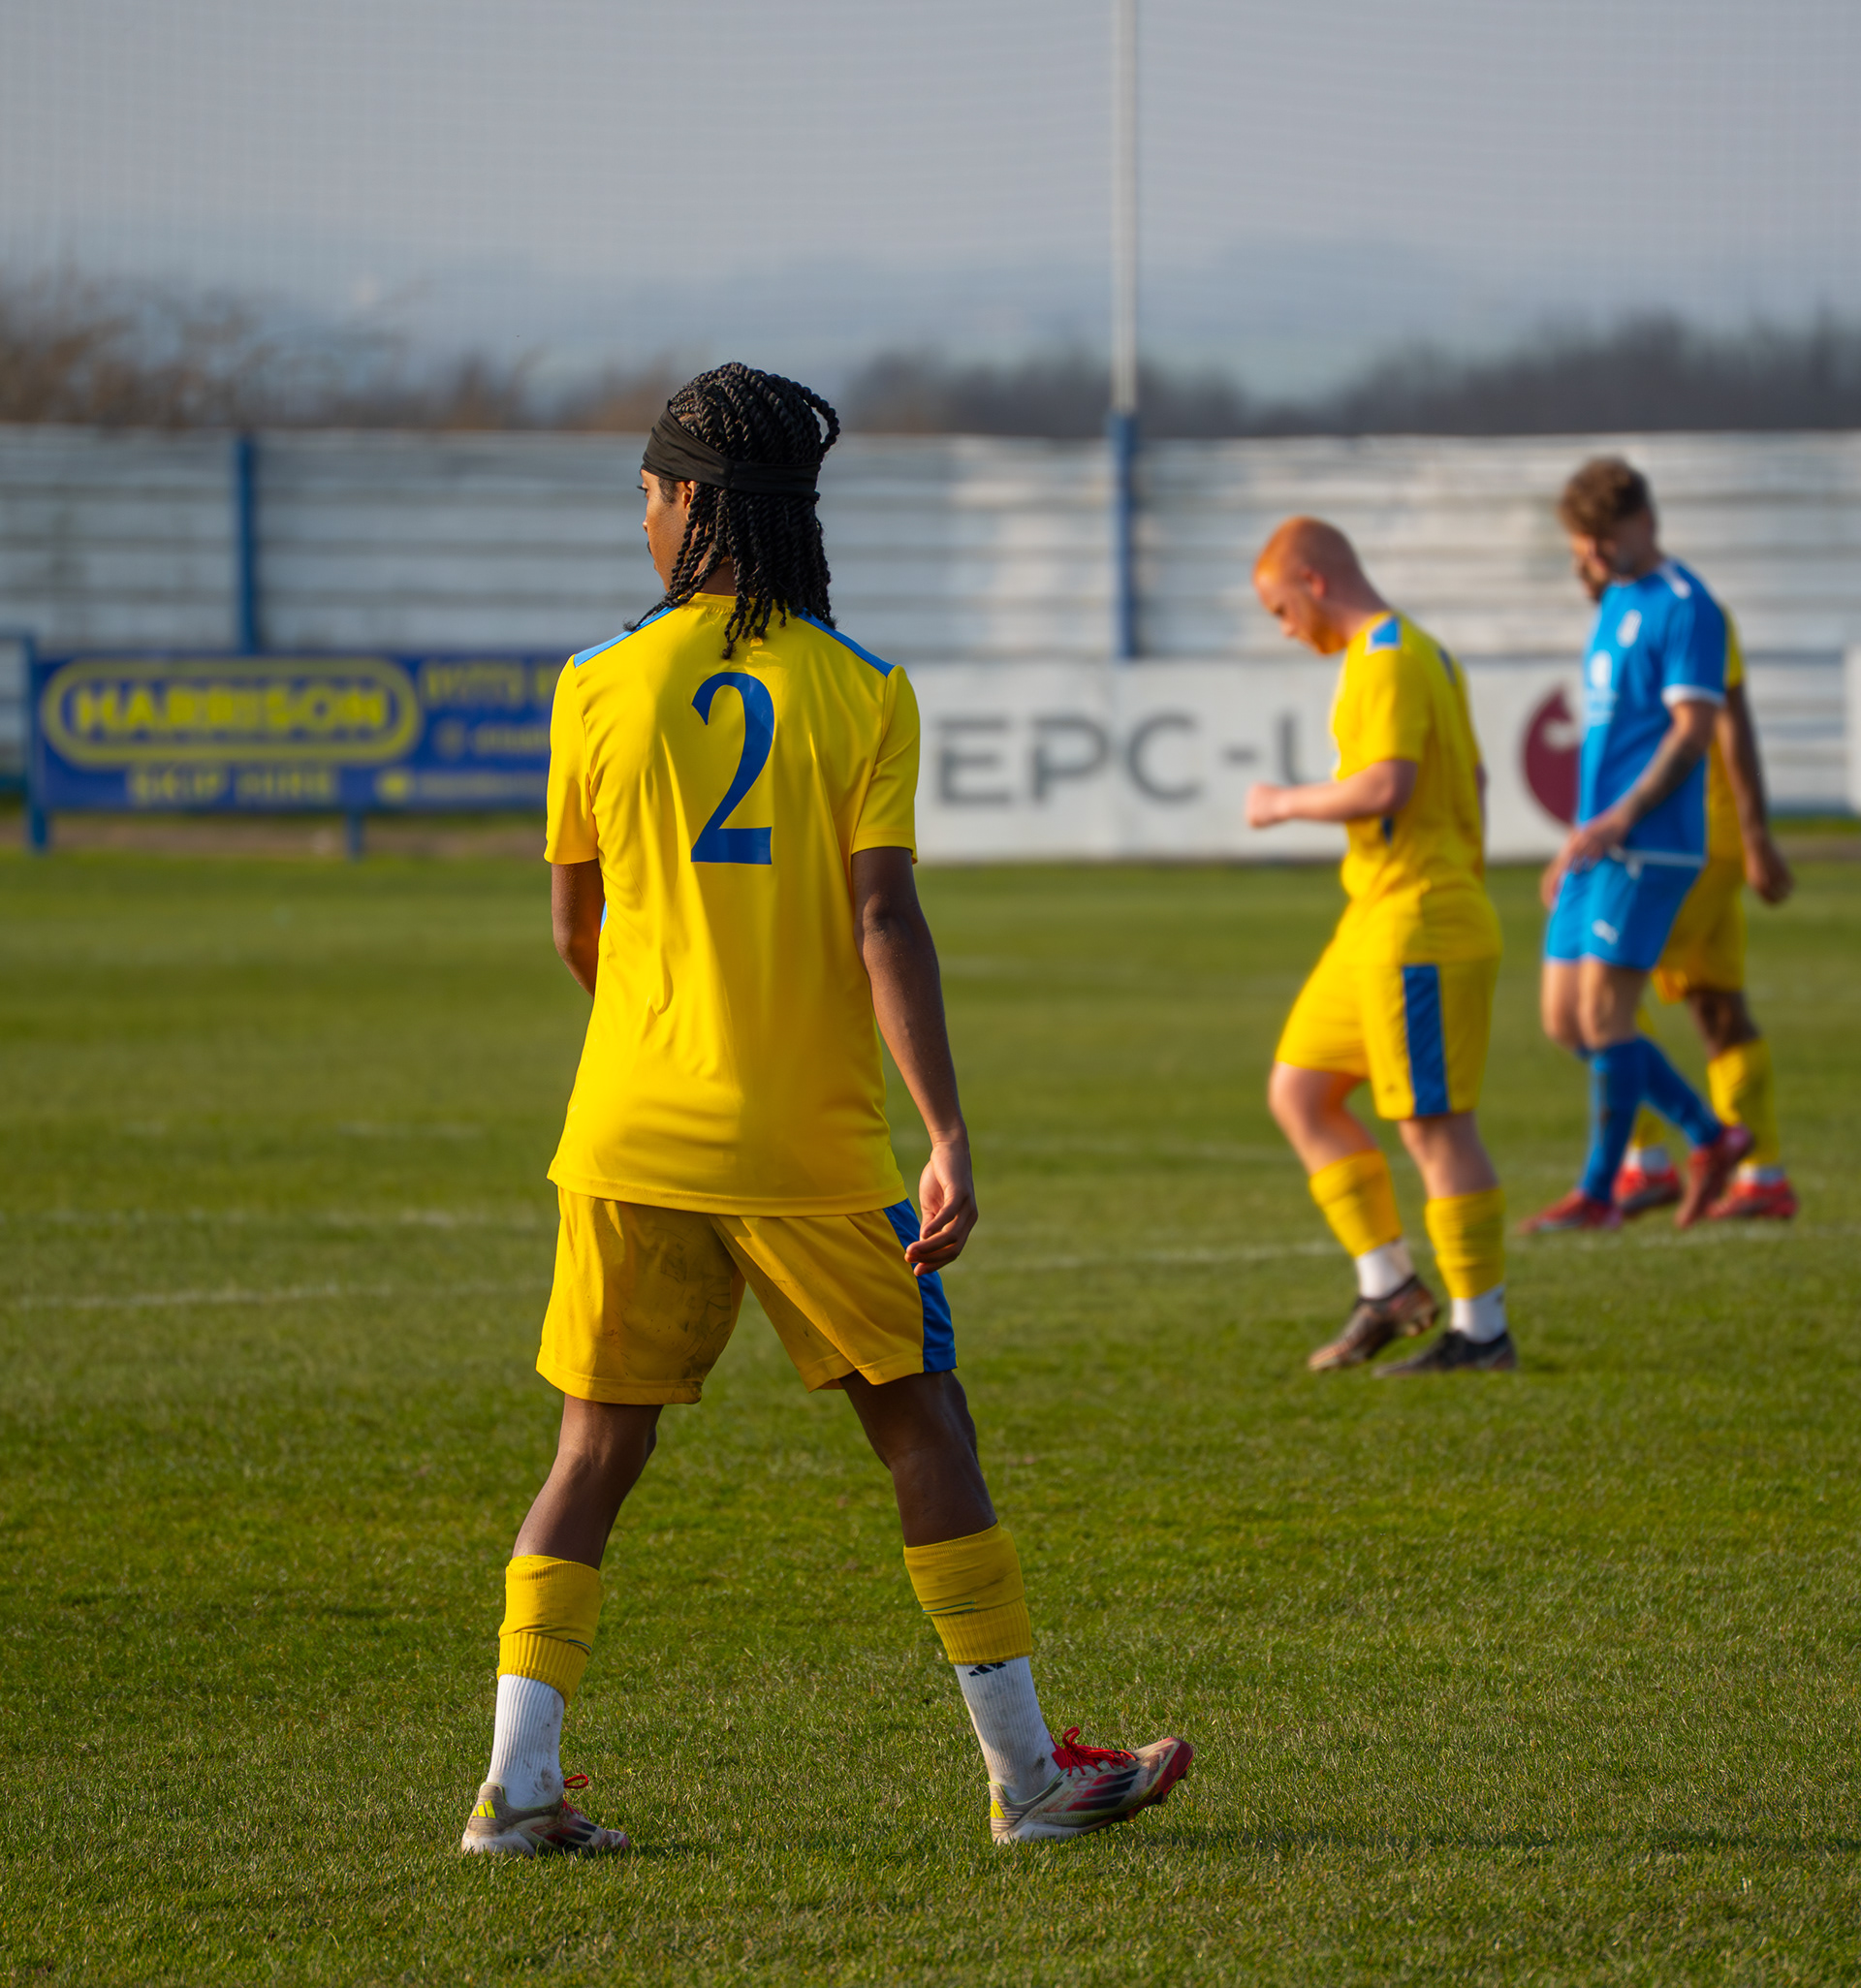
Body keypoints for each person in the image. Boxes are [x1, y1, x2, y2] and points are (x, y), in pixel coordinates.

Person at [459, 363, 1191, 1858]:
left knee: (591, 1453)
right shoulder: (863, 688)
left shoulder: (595, 682)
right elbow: (883, 919)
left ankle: (518, 1788)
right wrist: (948, 1132)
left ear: (696, 503)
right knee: (925, 1424)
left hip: (625, 1131)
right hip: (808, 1146)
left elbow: (578, 931)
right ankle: (1027, 1777)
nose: (642, 519)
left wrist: (667, 1027)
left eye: (650, 495)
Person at [1247, 517, 1514, 1376]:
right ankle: (1389, 1286)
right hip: (1376, 916)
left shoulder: (1392, 657)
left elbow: (1388, 784)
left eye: (1280, 608)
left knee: (1433, 1125)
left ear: (1313, 580)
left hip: (1418, 922)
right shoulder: (1414, 653)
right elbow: (1473, 779)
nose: (1284, 628)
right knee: (1301, 1090)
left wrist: (1282, 803)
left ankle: (1482, 1331)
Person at [1522, 458, 1751, 1234]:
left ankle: (1599, 1194)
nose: (1588, 555)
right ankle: (1711, 1135)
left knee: (1605, 1013)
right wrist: (1578, 835)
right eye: (1580, 541)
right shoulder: (1616, 600)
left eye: (1599, 538)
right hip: (1600, 840)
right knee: (1564, 1021)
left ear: (1642, 523)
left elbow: (1693, 732)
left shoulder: (1689, 607)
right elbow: (1609, 742)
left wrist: (1623, 816)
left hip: (1653, 841)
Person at [1612, 613, 1797, 1220]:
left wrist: (1756, 833)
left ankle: (1647, 1161)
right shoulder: (1677, 609)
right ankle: (1762, 1175)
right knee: (1716, 1003)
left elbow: (1730, 720)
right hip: (1702, 834)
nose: (1580, 569)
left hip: (1686, 836)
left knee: (1599, 985)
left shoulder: (1680, 608)